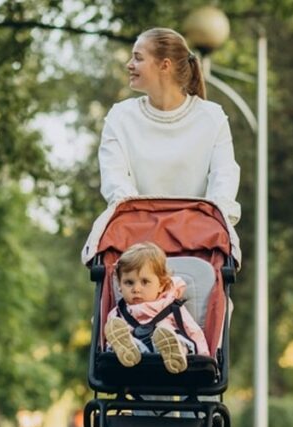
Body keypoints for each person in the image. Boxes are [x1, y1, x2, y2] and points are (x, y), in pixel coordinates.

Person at [99, 27, 241, 226]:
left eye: (138, 58)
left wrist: (206, 224)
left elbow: (224, 178)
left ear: (164, 65)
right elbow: (114, 180)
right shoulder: (120, 116)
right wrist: (142, 220)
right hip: (137, 232)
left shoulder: (211, 117)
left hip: (197, 235)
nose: (129, 65)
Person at [105, 242, 210, 373]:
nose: (136, 289)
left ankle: (173, 353)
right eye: (129, 283)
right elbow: (112, 337)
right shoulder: (118, 313)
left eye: (145, 282)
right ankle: (129, 350)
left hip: (172, 350)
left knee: (173, 336)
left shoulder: (172, 307)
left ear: (161, 284)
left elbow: (193, 331)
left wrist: (204, 357)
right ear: (119, 285)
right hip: (139, 359)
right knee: (125, 339)